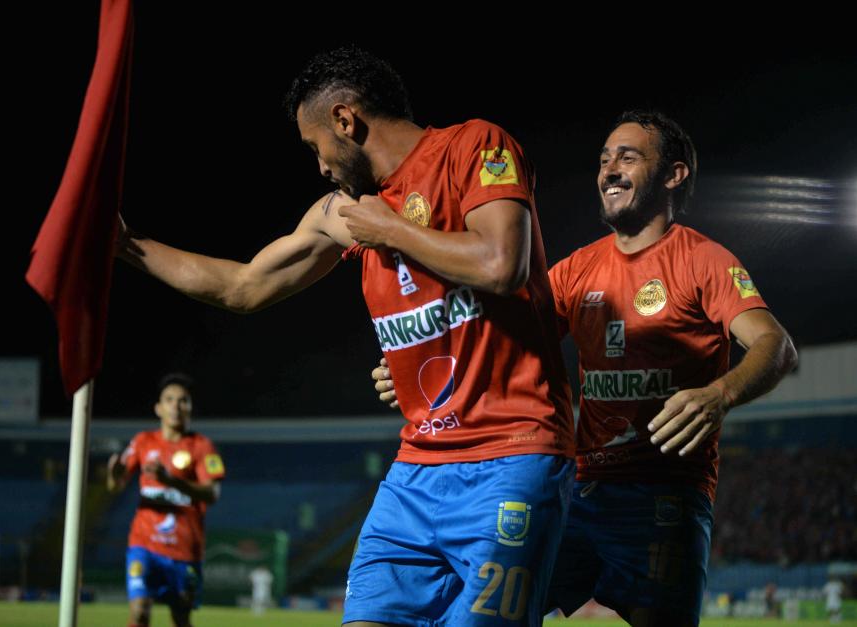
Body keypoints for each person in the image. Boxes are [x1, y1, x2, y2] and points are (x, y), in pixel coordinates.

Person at [118, 46, 575, 626]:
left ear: (345, 120)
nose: (320, 167)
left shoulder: (474, 147)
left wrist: (391, 227)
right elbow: (243, 286)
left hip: (511, 456)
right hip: (417, 467)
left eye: (316, 147)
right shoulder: (343, 213)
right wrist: (125, 246)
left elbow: (501, 263)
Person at [374, 110, 797, 627]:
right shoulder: (577, 270)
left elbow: (775, 345)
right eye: (603, 159)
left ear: (674, 174)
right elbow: (503, 338)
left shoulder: (703, 261)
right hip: (579, 492)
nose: (609, 169)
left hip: (665, 498)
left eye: (628, 157)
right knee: (488, 615)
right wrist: (421, 364)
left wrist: (721, 394)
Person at [107, 373, 225, 627]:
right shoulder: (142, 442)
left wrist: (171, 481)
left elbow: (212, 493)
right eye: (169, 400)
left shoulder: (203, 447)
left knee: (181, 617)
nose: (176, 406)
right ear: (158, 408)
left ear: (190, 408)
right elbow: (116, 485)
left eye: (183, 401)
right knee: (139, 612)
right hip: (145, 545)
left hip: (185, 550)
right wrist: (114, 474)